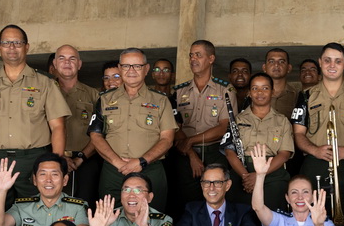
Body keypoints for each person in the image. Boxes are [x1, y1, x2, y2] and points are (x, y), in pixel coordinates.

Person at [0, 24, 71, 204]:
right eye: (6, 43)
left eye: (17, 42)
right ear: (0, 47)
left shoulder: (45, 82)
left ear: (27, 47)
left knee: (35, 210)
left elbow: (58, 126)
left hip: (33, 160)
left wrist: (55, 167)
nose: (12, 48)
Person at [292, 43, 344, 220]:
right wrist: (315, 151)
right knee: (314, 214)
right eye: (327, 60)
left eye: (337, 61)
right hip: (315, 162)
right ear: (320, 62)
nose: (332, 65)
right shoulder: (306, 95)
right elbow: (298, 133)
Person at [89, 48, 177, 203]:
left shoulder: (161, 101)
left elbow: (167, 139)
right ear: (120, 67)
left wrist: (141, 161)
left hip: (150, 169)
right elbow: (95, 135)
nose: (131, 70)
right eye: (126, 66)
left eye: (137, 66)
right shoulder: (104, 99)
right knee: (111, 219)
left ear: (146, 69)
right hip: (113, 171)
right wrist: (118, 162)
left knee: (152, 218)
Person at [221, 72, 293, 210]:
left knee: (272, 218)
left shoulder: (282, 121)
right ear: (249, 92)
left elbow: (284, 154)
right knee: (241, 217)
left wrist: (260, 175)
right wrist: (245, 176)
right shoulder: (237, 119)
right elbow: (229, 151)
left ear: (272, 92)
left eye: (265, 88)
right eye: (255, 88)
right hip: (242, 172)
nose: (260, 92)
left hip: (272, 174)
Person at [174, 41, 235, 189]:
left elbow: (224, 128)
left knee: (216, 196)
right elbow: (175, 128)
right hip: (185, 154)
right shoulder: (178, 92)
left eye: (198, 55)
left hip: (215, 152)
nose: (193, 59)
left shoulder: (225, 90)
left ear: (211, 59)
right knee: (186, 199)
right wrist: (191, 153)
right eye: (191, 55)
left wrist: (190, 140)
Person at [250, 145, 331, 226]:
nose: (300, 197)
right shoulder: (279, 221)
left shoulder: (326, 224)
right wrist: (260, 175)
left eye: (305, 192)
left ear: (313, 197)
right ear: (287, 198)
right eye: (294, 192)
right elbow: (258, 207)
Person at [167, 163, 259, 226]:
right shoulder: (192, 210)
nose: (211, 188)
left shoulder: (242, 210)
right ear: (202, 185)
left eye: (217, 182)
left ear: (227, 185)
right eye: (206, 182)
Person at [51, 44, 101, 207]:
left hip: (85, 160)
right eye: (62, 58)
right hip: (50, 159)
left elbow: (100, 132)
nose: (67, 62)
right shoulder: (44, 91)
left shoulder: (93, 94)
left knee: (84, 207)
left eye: (72, 59)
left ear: (79, 64)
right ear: (55, 64)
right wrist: (58, 156)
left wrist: (80, 159)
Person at [263, 49, 299, 117]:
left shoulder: (297, 96)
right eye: (271, 61)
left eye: (281, 62)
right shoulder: (254, 95)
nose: (276, 65)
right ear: (264, 67)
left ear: (289, 68)